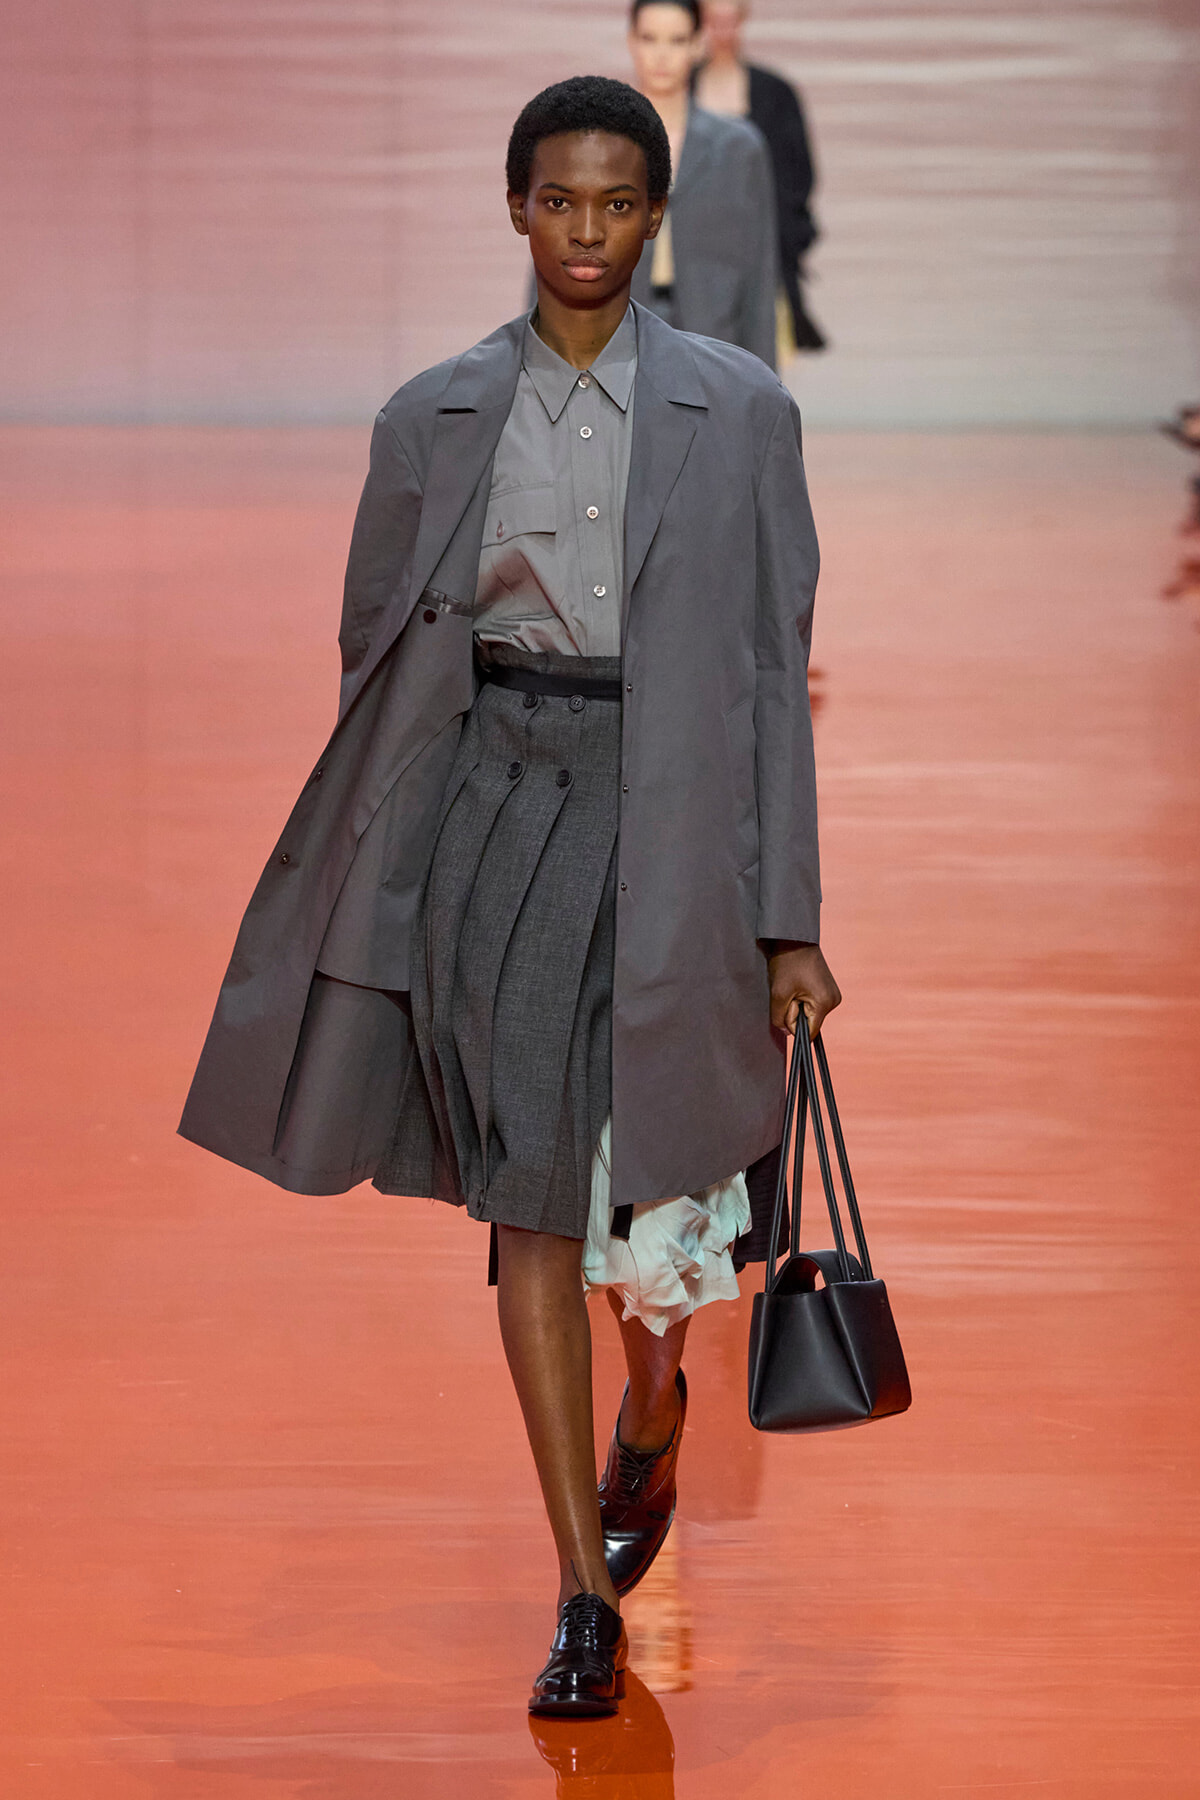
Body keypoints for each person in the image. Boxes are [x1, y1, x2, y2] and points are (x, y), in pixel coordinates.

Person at [179, 74, 839, 1719]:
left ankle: (658, 1402)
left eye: (622, 203)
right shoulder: (432, 417)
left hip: (675, 826)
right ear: (517, 206)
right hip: (504, 818)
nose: (593, 233)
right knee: (530, 1200)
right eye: (564, 202)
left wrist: (793, 920)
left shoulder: (744, 413)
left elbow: (771, 672)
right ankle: (580, 1596)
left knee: (661, 1224)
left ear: (659, 213)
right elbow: (377, 652)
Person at [627, 0, 779, 368]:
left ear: (698, 44)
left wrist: (762, 380)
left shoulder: (738, 148)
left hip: (713, 339)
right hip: (617, 338)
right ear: (631, 42)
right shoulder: (600, 145)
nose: (662, 55)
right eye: (649, 39)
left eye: (677, 40)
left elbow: (759, 273)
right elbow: (554, 260)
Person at [694, 0, 827, 354]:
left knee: (762, 362)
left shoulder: (776, 94)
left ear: (742, 22)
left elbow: (799, 174)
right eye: (712, 22)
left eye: (730, 22)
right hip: (690, 253)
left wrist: (784, 237)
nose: (722, 33)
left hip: (762, 251)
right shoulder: (678, 89)